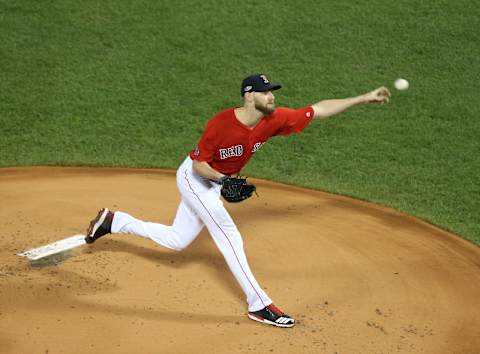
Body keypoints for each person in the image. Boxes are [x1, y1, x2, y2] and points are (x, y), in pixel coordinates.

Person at [85, 74, 390, 328]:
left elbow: (317, 109)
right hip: (196, 179)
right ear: (249, 96)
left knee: (177, 241)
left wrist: (363, 98)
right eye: (266, 93)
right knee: (228, 233)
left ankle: (116, 221)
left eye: (272, 92)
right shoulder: (220, 124)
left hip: (213, 182)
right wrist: (224, 181)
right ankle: (259, 304)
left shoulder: (275, 119)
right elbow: (198, 165)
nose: (272, 97)